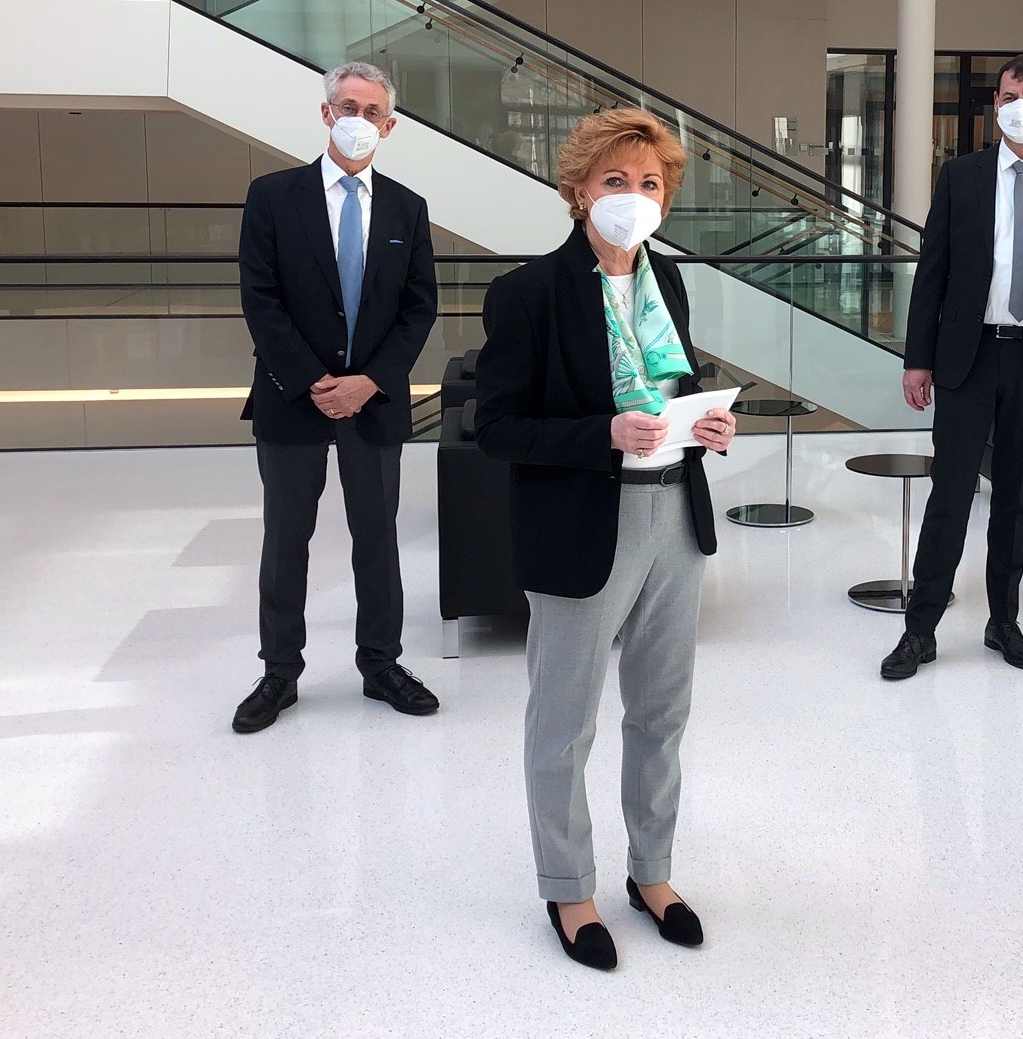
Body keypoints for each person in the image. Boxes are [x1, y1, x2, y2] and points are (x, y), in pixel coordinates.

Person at [475, 107, 738, 971]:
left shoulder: (669, 282)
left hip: (674, 517)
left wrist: (705, 425)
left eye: (650, 183)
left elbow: (674, 386)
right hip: (584, 521)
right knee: (564, 721)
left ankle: (651, 873)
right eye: (615, 180)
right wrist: (602, 435)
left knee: (661, 712)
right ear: (580, 190)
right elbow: (496, 426)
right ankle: (569, 887)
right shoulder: (528, 293)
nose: (634, 195)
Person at [880, 54, 1023, 681]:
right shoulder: (961, 176)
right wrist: (917, 359)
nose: (1019, 107)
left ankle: (1003, 621)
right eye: (1009, 96)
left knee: (1015, 499)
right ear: (995, 104)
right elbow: (932, 272)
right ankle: (920, 629)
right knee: (951, 494)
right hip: (970, 354)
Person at [231, 62, 439, 734]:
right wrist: (313, 381)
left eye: (372, 112)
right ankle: (279, 672)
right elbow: (260, 298)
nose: (359, 120)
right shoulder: (272, 196)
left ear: (390, 126)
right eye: (347, 107)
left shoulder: (408, 208)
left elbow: (419, 308)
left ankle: (381, 664)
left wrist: (370, 380)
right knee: (285, 540)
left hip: (373, 402)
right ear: (326, 114)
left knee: (377, 539)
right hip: (292, 397)